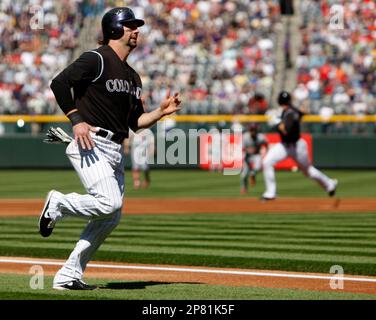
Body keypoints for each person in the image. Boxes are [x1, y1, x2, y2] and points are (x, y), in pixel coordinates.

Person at [38, 7, 182, 290]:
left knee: (110, 217)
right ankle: (57, 203)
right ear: (115, 30)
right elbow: (59, 83)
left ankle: (68, 275)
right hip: (89, 141)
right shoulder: (97, 58)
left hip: (114, 148)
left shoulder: (132, 77)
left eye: (136, 25)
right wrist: (76, 120)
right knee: (109, 203)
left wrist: (160, 112)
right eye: (130, 25)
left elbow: (135, 123)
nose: (136, 30)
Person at [261, 91, 337, 200]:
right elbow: (303, 112)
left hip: (297, 146)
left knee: (308, 171)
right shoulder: (291, 110)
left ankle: (329, 183)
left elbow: (285, 130)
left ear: (279, 101)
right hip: (284, 146)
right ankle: (270, 193)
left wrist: (276, 123)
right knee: (267, 161)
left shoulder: (290, 113)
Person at [240, 123, 268, 194]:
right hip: (248, 156)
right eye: (252, 130)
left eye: (254, 130)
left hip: (256, 155)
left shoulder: (260, 137)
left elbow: (266, 143)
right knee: (244, 174)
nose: (253, 131)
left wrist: (265, 150)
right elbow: (242, 148)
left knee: (258, 167)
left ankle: (252, 174)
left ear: (256, 130)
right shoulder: (245, 137)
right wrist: (248, 150)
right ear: (249, 130)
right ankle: (244, 188)